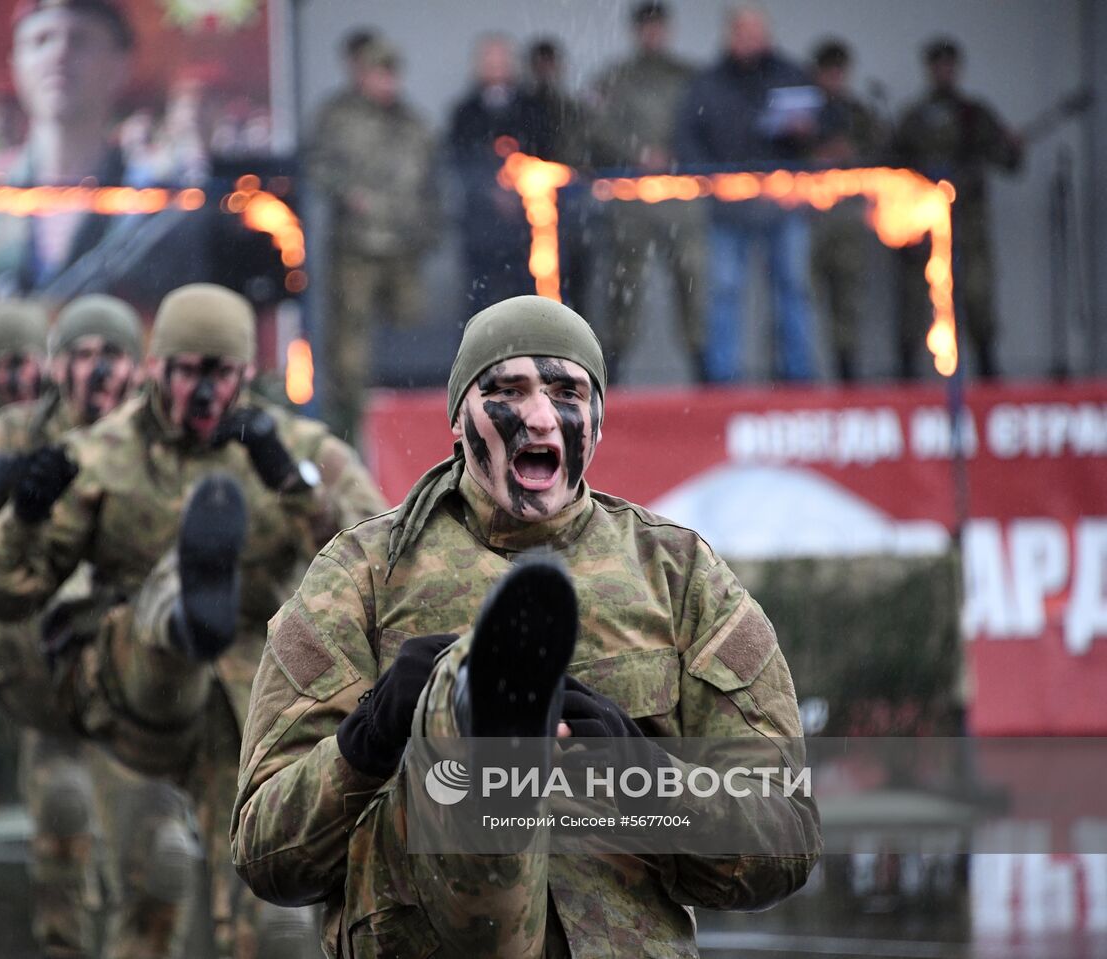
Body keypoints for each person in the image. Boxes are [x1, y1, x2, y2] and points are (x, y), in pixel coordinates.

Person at [232, 295, 820, 955]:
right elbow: (264, 849)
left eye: (567, 391)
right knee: (455, 733)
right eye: (507, 389)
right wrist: (369, 735)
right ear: (459, 418)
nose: (540, 416)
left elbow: (787, 834)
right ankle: (472, 706)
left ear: (598, 419)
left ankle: (489, 710)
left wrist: (644, 776)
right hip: (425, 927)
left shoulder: (678, 574)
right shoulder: (361, 574)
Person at [0, 283, 386, 958]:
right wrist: (24, 515)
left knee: (275, 919)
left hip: (257, 698)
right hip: (136, 701)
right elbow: (2, 586)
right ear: (156, 367)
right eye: (186, 369)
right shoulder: (102, 453)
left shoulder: (296, 445)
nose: (201, 389)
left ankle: (199, 606)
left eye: (219, 373)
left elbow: (380, 559)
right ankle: (184, 608)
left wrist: (294, 483)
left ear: (246, 373)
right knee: (151, 890)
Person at [0, 295, 189, 959]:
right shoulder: (3, 438)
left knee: (161, 861)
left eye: (110, 356)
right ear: (58, 368)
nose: (95, 373)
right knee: (62, 812)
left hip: (138, 690)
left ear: (138, 369)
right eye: (80, 356)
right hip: (40, 684)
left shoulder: (167, 449)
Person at [0, 0, 208, 310]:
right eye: (41, 40)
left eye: (80, 39)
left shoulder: (161, 206)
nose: (59, 54)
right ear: (15, 63)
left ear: (121, 64)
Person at [305, 37, 441, 445]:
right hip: (356, 249)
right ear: (361, 74)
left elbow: (432, 184)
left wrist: (429, 231)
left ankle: (408, 431)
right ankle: (344, 435)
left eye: (391, 72)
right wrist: (348, 192)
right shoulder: (336, 116)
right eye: (378, 72)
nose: (386, 81)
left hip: (404, 249)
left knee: (411, 338)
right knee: (349, 351)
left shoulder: (413, 123)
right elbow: (315, 166)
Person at [674, 6, 820, 383]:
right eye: (744, 32)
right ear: (730, 35)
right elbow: (686, 137)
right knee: (723, 294)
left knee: (793, 289)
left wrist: (807, 130)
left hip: (783, 204)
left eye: (758, 31)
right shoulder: (707, 82)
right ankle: (724, 382)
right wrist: (710, 179)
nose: (752, 39)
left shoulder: (790, 74)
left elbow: (824, 125)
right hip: (728, 209)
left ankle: (797, 377)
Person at [590, 0, 708, 381]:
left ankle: (702, 368)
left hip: (681, 195)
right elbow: (600, 127)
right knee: (625, 281)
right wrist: (637, 152)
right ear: (637, 31)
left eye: (659, 26)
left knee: (692, 277)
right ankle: (615, 370)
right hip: (632, 196)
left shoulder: (690, 76)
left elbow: (707, 124)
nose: (653, 34)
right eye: (647, 27)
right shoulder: (617, 77)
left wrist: (679, 154)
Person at [894, 37, 1021, 380]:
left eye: (950, 65)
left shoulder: (974, 115)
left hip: (967, 221)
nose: (944, 72)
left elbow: (1008, 160)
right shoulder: (914, 118)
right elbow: (892, 163)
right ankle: (906, 374)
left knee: (978, 294)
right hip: (923, 222)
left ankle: (987, 369)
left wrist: (1010, 146)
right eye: (938, 65)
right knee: (914, 298)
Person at [448, 34, 552, 312]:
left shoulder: (534, 109)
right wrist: (489, 191)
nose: (496, 67)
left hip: (527, 226)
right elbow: (459, 162)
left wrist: (519, 191)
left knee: (528, 305)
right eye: (489, 60)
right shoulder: (465, 113)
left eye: (501, 60)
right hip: (480, 230)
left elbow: (547, 155)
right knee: (479, 307)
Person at [809, 39, 884, 383]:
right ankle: (800, 377)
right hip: (808, 217)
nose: (834, 78)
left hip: (849, 216)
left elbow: (882, 153)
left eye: (839, 71)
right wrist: (816, 156)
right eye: (828, 71)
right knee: (803, 298)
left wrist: (851, 153)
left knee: (848, 299)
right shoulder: (804, 109)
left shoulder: (858, 113)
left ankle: (847, 373)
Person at [526, 37, 597, 314]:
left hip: (571, 212)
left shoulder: (573, 109)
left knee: (577, 289)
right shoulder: (523, 107)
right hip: (532, 215)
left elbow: (587, 151)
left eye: (550, 64)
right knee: (535, 291)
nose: (546, 71)